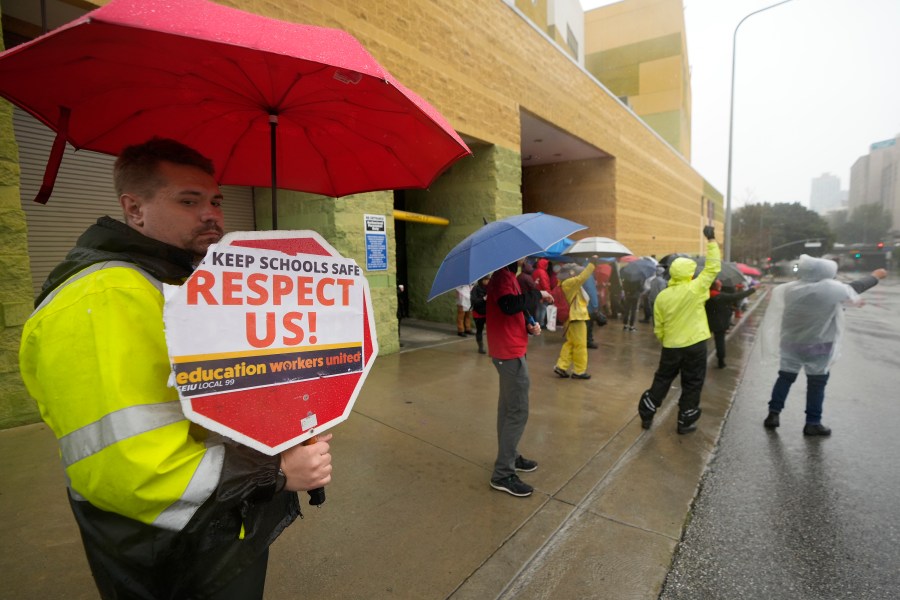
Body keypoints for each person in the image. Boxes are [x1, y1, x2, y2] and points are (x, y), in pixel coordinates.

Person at [18, 138, 333, 599]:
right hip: (168, 553)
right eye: (189, 201)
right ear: (134, 209)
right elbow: (136, 470)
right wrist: (276, 472)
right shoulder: (104, 299)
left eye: (215, 201)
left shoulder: (176, 284)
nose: (212, 215)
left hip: (215, 531)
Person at [761, 256, 886, 436]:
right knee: (816, 384)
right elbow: (854, 289)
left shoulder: (789, 289)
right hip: (819, 346)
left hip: (790, 343)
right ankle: (812, 422)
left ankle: (773, 415)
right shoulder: (830, 289)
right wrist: (875, 276)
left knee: (785, 378)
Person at [637, 226, 720, 434]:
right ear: (689, 274)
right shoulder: (696, 288)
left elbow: (659, 325)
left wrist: (666, 339)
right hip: (696, 345)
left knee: (662, 379)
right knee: (692, 383)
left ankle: (647, 414)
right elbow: (713, 267)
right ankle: (685, 421)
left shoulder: (663, 296)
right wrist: (711, 240)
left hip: (671, 346)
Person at [486, 258, 542, 497]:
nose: (526, 259)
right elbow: (509, 305)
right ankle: (503, 474)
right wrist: (539, 294)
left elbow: (513, 311)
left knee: (507, 409)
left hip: (511, 349)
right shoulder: (502, 277)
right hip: (509, 354)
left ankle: (510, 455)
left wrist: (529, 324)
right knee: (517, 411)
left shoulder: (508, 276)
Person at [553, 258, 598, 380]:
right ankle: (579, 371)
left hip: (572, 318)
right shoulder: (568, 283)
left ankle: (561, 366)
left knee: (570, 343)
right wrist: (592, 265)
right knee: (580, 345)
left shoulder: (564, 284)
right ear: (570, 274)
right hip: (576, 317)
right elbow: (581, 278)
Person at [705, 279, 756, 369]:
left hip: (706, 322)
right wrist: (753, 289)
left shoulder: (705, 295)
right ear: (716, 286)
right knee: (720, 342)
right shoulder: (723, 296)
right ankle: (721, 362)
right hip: (720, 323)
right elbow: (738, 296)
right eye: (719, 285)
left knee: (703, 342)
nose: (721, 286)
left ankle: (700, 359)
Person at [470, 276, 490, 354]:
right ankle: (481, 347)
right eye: (486, 279)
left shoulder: (489, 288)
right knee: (479, 330)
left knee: (491, 331)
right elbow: (474, 301)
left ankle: (493, 347)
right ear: (482, 280)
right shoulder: (475, 289)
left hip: (488, 313)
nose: (488, 281)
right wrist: (484, 299)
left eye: (488, 279)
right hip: (478, 313)